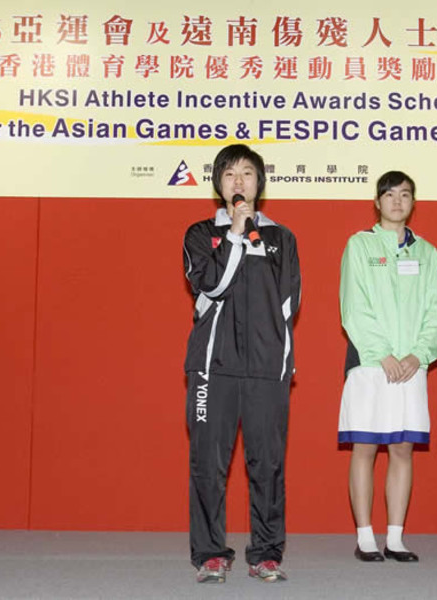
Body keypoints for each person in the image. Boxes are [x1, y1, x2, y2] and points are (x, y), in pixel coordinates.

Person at [183, 144, 301, 583]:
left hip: (267, 370)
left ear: (259, 183)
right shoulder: (200, 235)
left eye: (247, 174)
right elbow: (211, 285)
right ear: (218, 183)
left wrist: (282, 360)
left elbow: (289, 306)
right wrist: (235, 234)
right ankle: (211, 553)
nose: (238, 182)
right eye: (230, 174)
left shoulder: (282, 239)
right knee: (208, 464)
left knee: (268, 463)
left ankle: (266, 553)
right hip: (213, 369)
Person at [338, 171, 437, 563]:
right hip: (370, 365)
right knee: (364, 446)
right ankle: (365, 536)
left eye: (405, 194)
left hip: (411, 367)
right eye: (389, 194)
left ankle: (395, 537)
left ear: (413, 203)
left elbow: (435, 311)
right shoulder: (359, 245)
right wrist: (383, 353)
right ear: (377, 202)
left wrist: (418, 355)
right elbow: (353, 305)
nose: (397, 201)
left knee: (402, 448)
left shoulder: (427, 252)